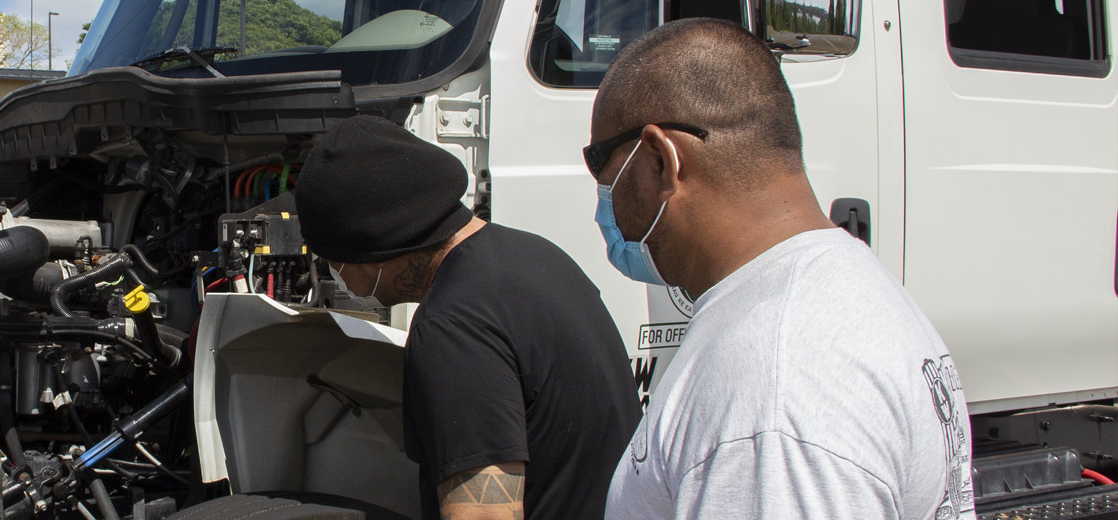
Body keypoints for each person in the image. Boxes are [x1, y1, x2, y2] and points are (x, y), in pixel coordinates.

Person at [589, 19, 974, 519]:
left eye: (602, 167)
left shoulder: (772, 385)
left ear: (662, 160)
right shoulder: (843, 290)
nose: (603, 199)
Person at [296, 115, 641, 520]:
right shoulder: (535, 257)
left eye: (333, 260)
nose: (336, 274)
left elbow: (485, 514)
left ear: (374, 248)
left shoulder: (452, 327)